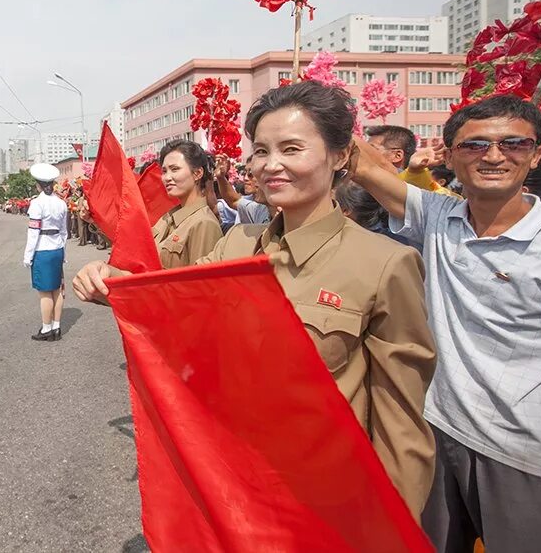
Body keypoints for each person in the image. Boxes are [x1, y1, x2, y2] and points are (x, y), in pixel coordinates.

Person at [73, 81, 437, 518]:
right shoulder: (237, 245)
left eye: (292, 148)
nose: (271, 165)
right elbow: (170, 298)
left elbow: (401, 423)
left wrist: (394, 527)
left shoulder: (386, 262)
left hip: (323, 500)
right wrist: (110, 282)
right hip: (234, 482)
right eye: (261, 151)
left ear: (340, 156)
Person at [349, 93, 541, 552]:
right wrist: (317, 96)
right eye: (475, 146)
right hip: (439, 433)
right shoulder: (440, 217)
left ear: (536, 154)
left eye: (513, 144)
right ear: (451, 156)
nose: (495, 156)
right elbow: (365, 167)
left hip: (523, 454)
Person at [152, 139, 223, 268]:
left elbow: (200, 282)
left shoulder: (204, 223)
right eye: (164, 171)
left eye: (175, 169)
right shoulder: (167, 218)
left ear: (197, 173)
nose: (167, 177)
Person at [23, 163, 69, 342]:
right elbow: (65, 232)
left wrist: (28, 256)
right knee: (57, 290)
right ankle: (57, 326)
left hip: (42, 251)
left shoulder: (36, 203)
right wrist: (63, 253)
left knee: (45, 292)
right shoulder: (61, 203)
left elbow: (33, 233)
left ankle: (46, 328)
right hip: (57, 249)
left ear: (38, 185)